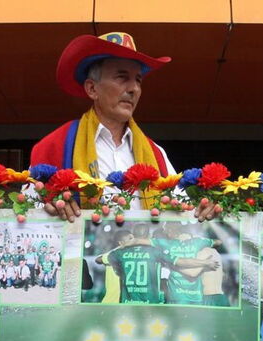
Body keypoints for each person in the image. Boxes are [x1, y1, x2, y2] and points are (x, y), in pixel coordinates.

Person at [30, 33, 219, 222]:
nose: (133, 89)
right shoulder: (56, 145)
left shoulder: (156, 153)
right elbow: (27, 214)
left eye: (138, 80)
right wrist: (48, 207)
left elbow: (182, 211)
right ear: (92, 89)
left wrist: (204, 208)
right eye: (122, 77)